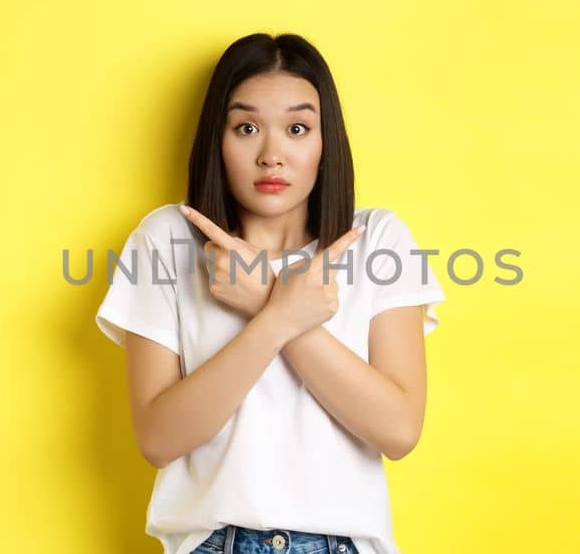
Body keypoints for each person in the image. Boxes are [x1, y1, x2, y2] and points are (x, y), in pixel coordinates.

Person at [95, 32, 445, 554]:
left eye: (298, 128)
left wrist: (267, 303)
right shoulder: (166, 239)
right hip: (213, 543)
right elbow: (158, 439)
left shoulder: (377, 240)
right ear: (218, 138)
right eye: (247, 128)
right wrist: (279, 318)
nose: (271, 155)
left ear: (326, 143)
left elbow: (397, 431)